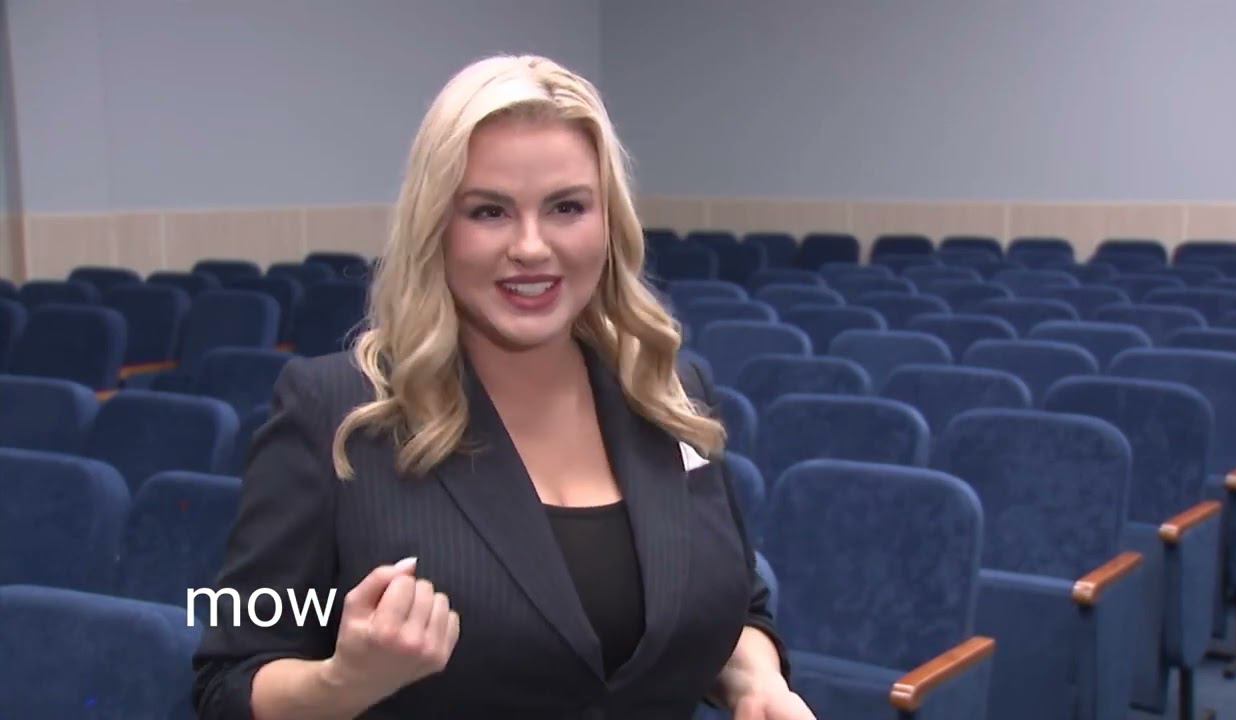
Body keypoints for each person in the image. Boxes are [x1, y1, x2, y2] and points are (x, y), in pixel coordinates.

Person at [192, 54, 813, 720]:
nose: (531, 246)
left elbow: (736, 608)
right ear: (436, 225)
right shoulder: (333, 411)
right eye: (489, 211)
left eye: (566, 207)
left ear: (609, 221)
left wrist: (756, 683)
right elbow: (228, 681)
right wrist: (343, 682)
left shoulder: (668, 391)